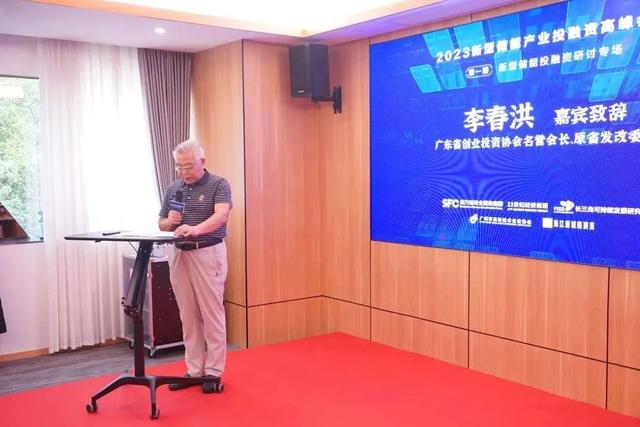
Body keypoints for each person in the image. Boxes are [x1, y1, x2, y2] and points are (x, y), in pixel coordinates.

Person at [158, 139, 232, 393]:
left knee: (211, 313)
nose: (184, 172)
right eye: (179, 167)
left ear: (203, 161)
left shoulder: (219, 184)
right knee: (187, 315)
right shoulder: (173, 188)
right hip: (179, 253)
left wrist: (196, 229)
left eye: (189, 166)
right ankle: (194, 370)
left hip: (207, 251)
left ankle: (213, 372)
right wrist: (170, 221)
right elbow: (161, 223)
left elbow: (221, 215)